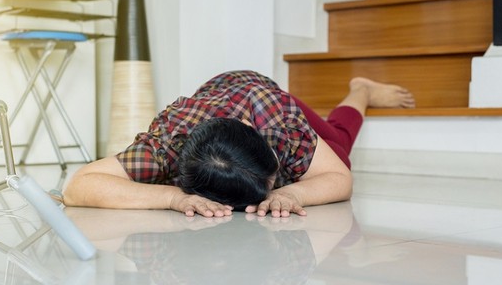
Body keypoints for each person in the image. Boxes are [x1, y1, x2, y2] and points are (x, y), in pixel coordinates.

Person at [63, 70, 414, 218]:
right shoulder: (167, 144)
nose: (277, 186)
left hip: (260, 90)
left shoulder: (280, 121)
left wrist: (294, 193)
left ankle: (361, 90)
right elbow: (78, 187)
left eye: (275, 180)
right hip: (221, 95)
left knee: (339, 147)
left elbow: (341, 179)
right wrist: (172, 198)